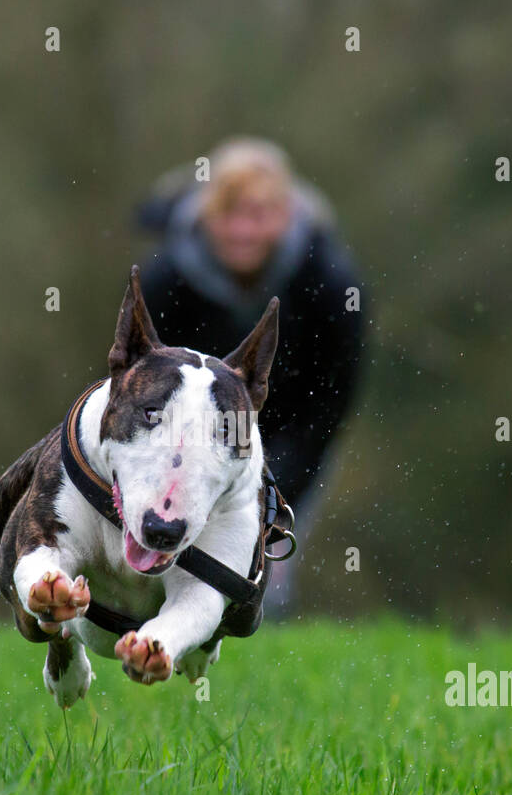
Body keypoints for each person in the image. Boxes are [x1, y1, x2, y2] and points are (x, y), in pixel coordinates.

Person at [135, 138, 367, 613]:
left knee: (258, 577)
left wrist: (273, 493)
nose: (243, 231)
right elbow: (139, 389)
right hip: (179, 445)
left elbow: (327, 409)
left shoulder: (333, 288)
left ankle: (252, 650)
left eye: (258, 216)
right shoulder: (162, 283)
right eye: (229, 214)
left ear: (285, 217)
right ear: (206, 216)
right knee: (157, 568)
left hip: (287, 443)